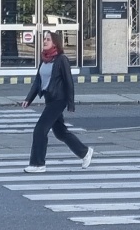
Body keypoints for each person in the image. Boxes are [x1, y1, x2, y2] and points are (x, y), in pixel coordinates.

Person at [19, 31, 93, 174]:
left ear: (55, 43)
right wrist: (29, 99)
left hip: (59, 100)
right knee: (60, 133)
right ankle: (85, 152)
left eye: (48, 39)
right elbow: (38, 81)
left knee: (40, 129)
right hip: (49, 99)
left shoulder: (61, 59)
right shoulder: (44, 59)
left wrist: (71, 103)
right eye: (44, 39)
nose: (45, 41)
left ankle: (38, 164)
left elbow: (69, 82)